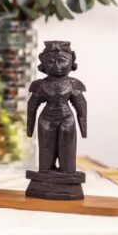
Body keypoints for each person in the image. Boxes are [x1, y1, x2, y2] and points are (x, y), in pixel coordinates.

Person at [27, 41, 87, 173]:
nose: (57, 65)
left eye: (62, 60)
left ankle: (67, 171)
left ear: (71, 62)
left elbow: (81, 107)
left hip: (67, 119)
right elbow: (32, 107)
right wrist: (29, 129)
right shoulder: (40, 85)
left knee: (67, 147)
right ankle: (46, 170)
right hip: (46, 119)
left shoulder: (73, 84)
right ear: (43, 63)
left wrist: (84, 128)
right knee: (46, 147)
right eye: (51, 61)